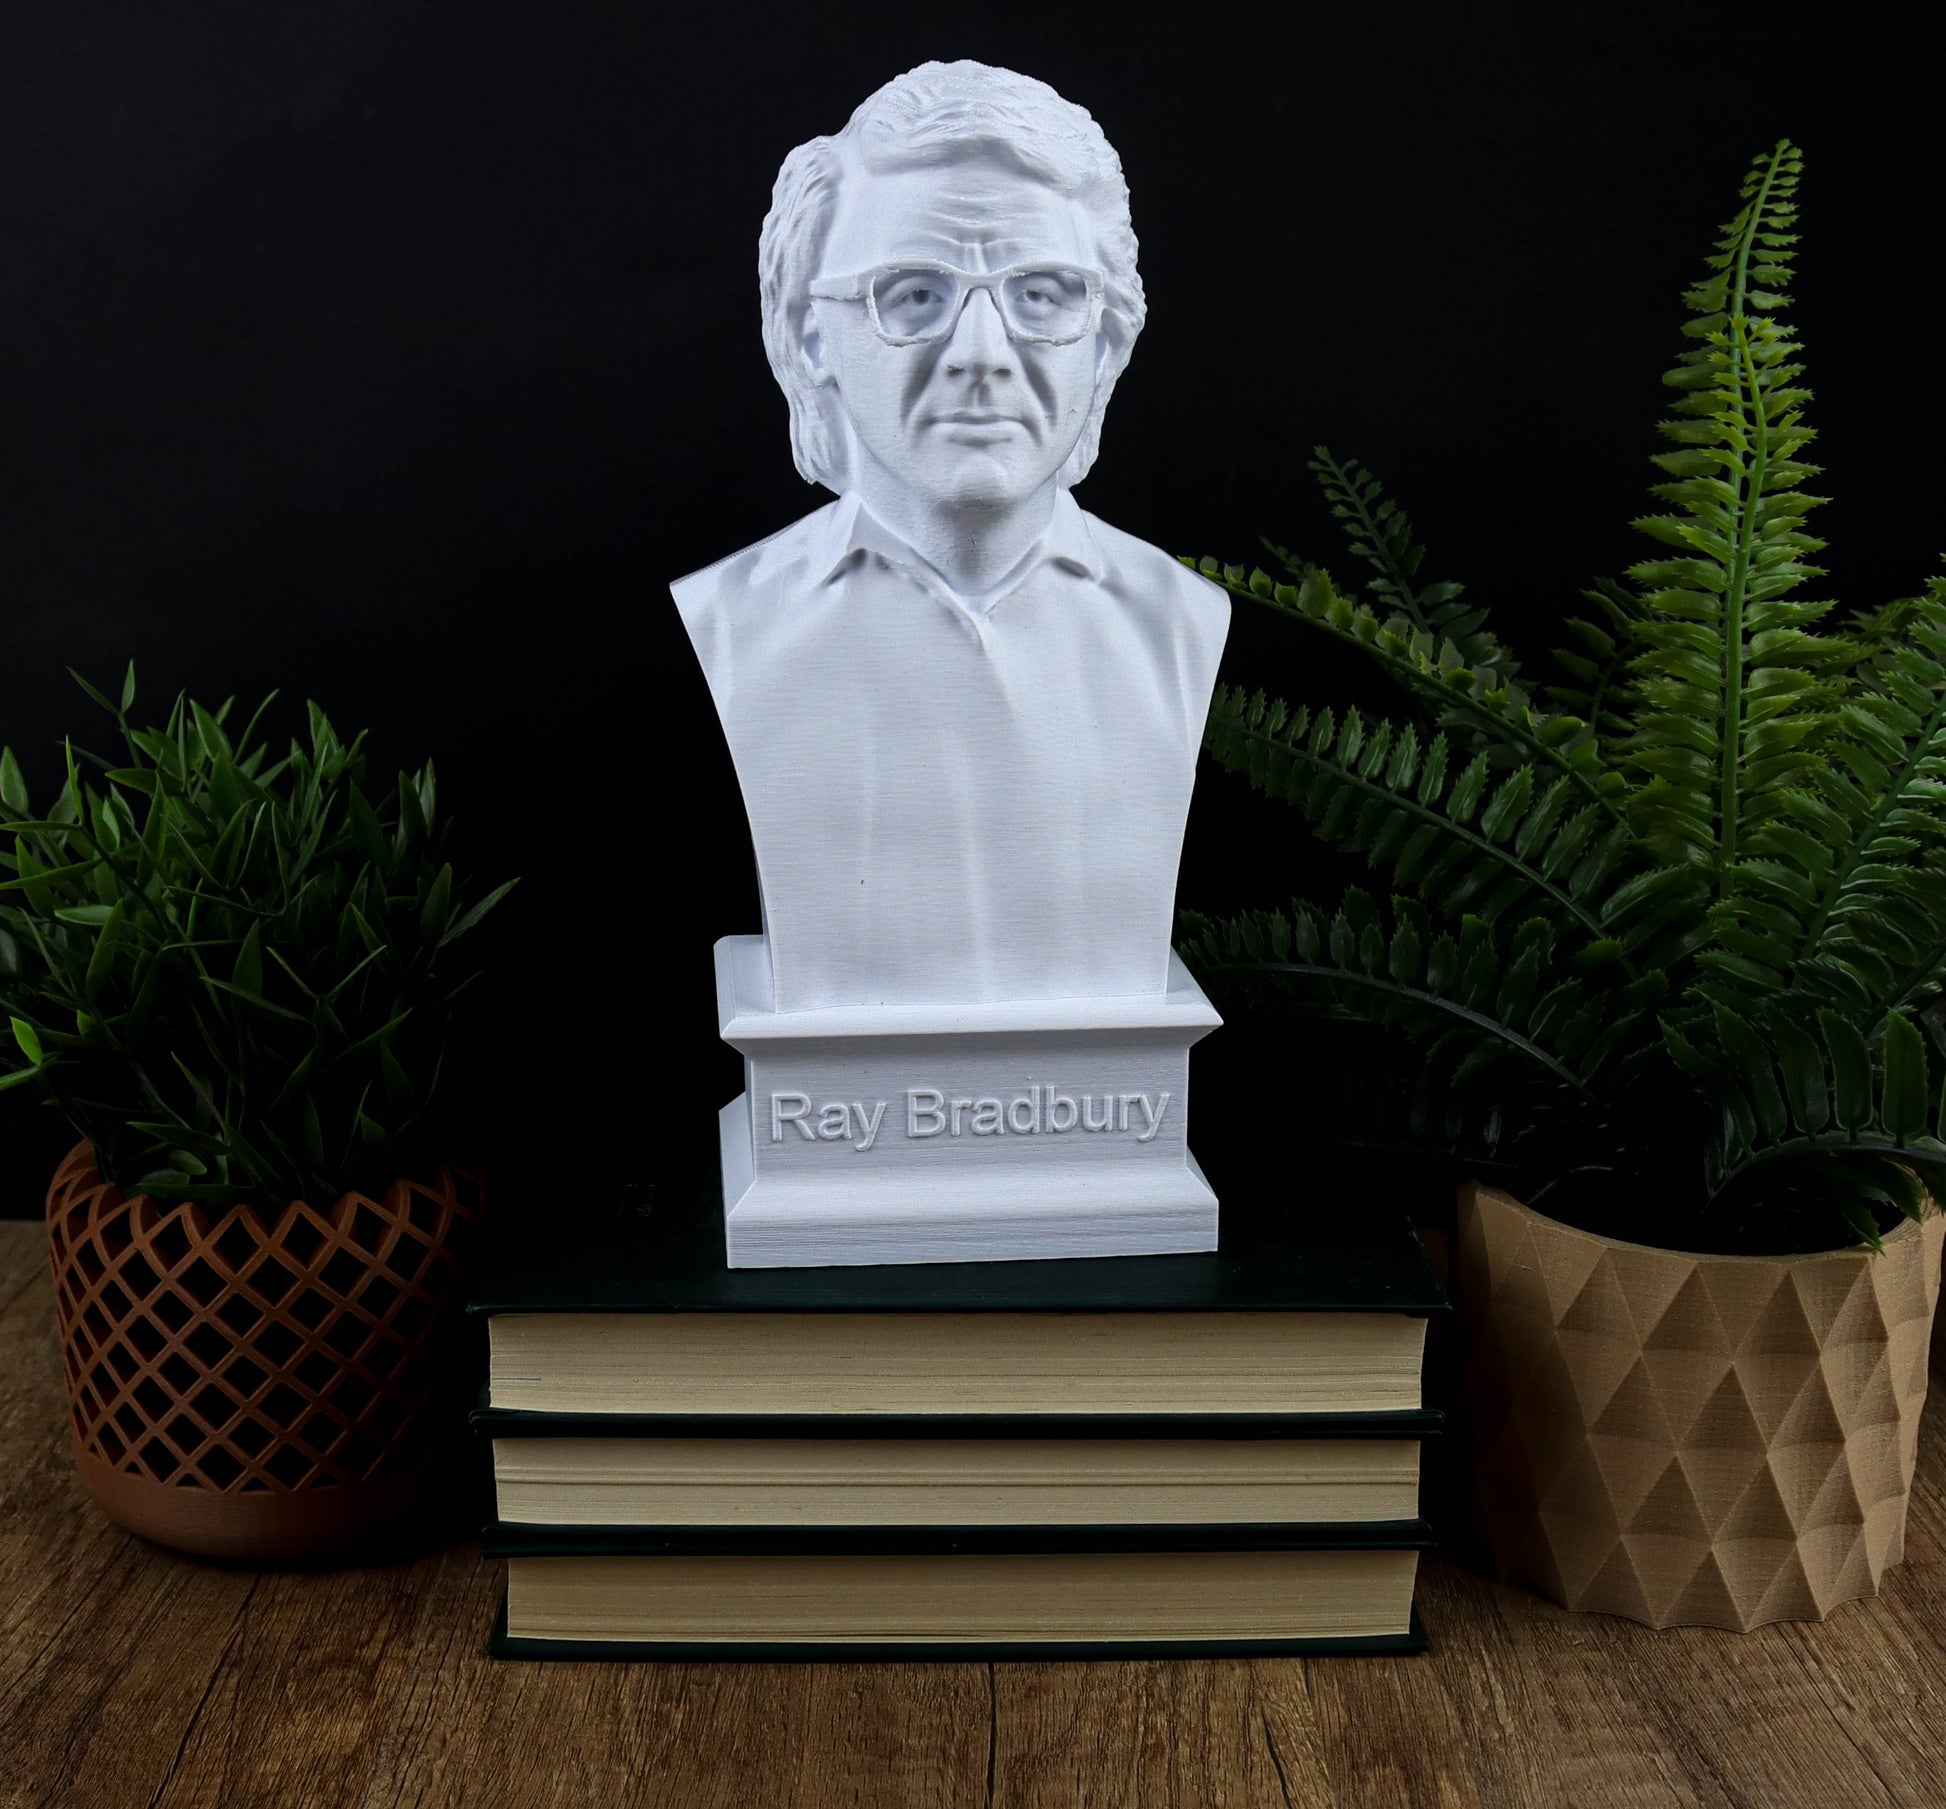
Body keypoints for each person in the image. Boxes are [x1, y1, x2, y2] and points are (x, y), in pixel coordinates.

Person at [673, 60, 1229, 1013]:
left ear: (1106, 337)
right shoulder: (738, 622)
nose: (981, 355)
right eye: (914, 293)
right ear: (813, 334)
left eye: (1043, 294)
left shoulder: (1176, 624)